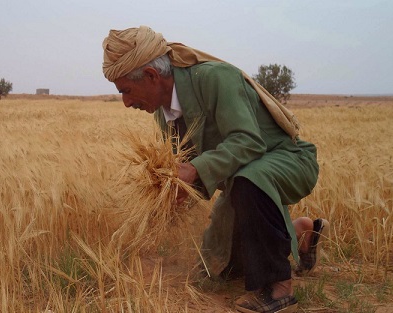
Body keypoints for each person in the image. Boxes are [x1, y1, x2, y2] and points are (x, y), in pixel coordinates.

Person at [102, 26, 329, 313]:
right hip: (242, 183)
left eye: (126, 90)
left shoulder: (215, 78)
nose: (126, 102)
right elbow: (192, 166)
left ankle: (279, 289)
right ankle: (301, 232)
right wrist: (172, 195)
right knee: (220, 269)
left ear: (151, 75)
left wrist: (194, 170)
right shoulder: (164, 113)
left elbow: (248, 142)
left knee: (251, 179)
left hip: (286, 161)